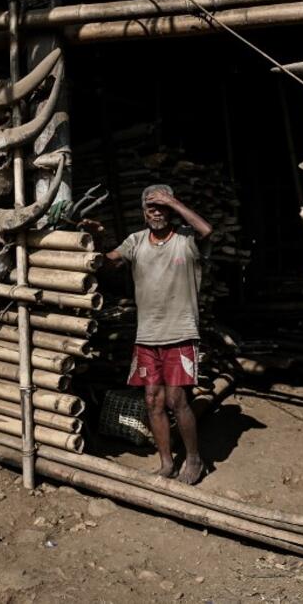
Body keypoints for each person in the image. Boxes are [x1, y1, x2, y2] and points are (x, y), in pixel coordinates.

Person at [81, 184, 213, 484]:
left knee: (177, 400)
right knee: (153, 400)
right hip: (147, 336)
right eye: (151, 207)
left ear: (171, 208)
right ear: (144, 213)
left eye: (162, 206)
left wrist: (173, 201)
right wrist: (97, 239)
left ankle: (193, 459)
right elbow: (109, 263)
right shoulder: (136, 241)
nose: (157, 212)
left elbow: (207, 230)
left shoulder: (186, 240)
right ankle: (166, 462)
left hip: (180, 332)